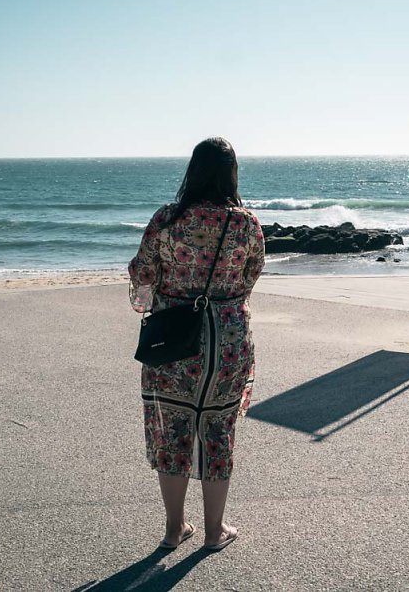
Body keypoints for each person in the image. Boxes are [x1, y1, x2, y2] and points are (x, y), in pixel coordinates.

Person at [128, 137, 265, 552]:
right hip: (226, 340)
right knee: (218, 431)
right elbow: (250, 277)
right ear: (231, 173)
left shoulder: (168, 219)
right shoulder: (245, 223)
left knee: (173, 431)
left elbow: (143, 271)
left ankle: (174, 530)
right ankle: (213, 531)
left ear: (193, 170)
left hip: (173, 339)